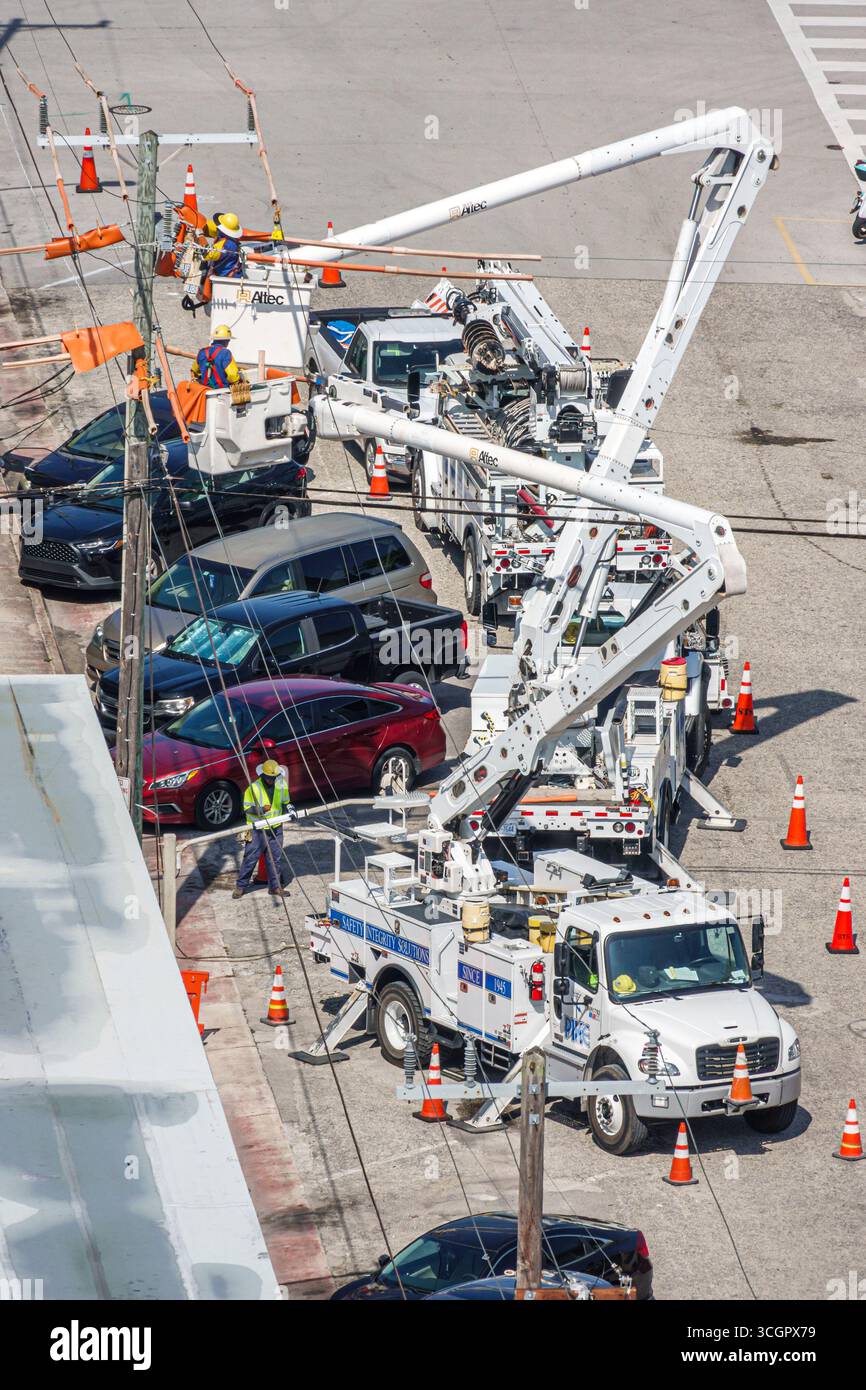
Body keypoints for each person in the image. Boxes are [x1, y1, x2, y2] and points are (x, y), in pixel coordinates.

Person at [233, 760, 295, 899]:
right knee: (250, 858)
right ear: (262, 775)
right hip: (258, 829)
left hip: (276, 827)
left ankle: (275, 887)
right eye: (268, 778)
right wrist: (260, 810)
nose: (271, 780)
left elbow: (286, 802)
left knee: (275, 859)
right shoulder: (254, 788)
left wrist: (291, 809)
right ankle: (240, 886)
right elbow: (246, 809)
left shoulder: (281, 784)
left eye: (273, 778)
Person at [192, 325, 240, 390]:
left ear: (214, 339)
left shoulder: (202, 352)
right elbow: (232, 375)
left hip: (205, 391)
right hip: (221, 392)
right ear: (226, 341)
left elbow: (194, 372)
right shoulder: (226, 353)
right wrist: (238, 382)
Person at [204, 211, 243, 280]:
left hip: (226, 279)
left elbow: (208, 255)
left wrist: (200, 236)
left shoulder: (227, 245)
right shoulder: (229, 239)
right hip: (230, 274)